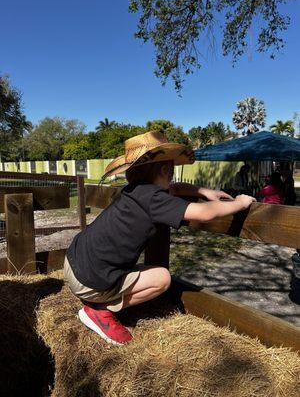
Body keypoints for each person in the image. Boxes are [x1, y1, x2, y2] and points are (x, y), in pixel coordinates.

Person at [64, 131, 256, 346]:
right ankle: (101, 312)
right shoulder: (154, 199)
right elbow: (205, 213)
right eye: (171, 171)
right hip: (90, 280)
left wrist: (203, 190)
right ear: (166, 170)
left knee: (139, 268)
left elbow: (174, 189)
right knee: (162, 278)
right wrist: (239, 203)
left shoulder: (136, 192)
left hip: (74, 262)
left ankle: (99, 298)